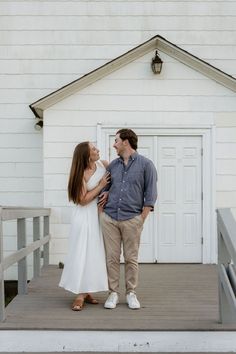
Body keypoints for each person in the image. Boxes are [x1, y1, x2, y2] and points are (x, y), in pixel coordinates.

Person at [99, 129, 157, 310]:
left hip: (132, 218)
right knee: (111, 258)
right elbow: (104, 189)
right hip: (110, 218)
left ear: (126, 142)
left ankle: (131, 293)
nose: (114, 144)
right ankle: (113, 293)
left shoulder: (146, 165)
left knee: (131, 258)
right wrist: (103, 204)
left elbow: (151, 194)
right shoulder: (113, 166)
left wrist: (141, 218)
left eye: (116, 141)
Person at [59, 141, 110, 311]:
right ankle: (79, 294)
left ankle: (87, 291)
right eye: (94, 149)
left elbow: (115, 183)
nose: (98, 150)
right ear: (87, 155)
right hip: (83, 217)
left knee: (94, 253)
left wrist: (107, 191)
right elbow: (82, 200)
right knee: (81, 252)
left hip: (98, 216)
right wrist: (101, 186)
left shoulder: (104, 165)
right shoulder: (80, 173)